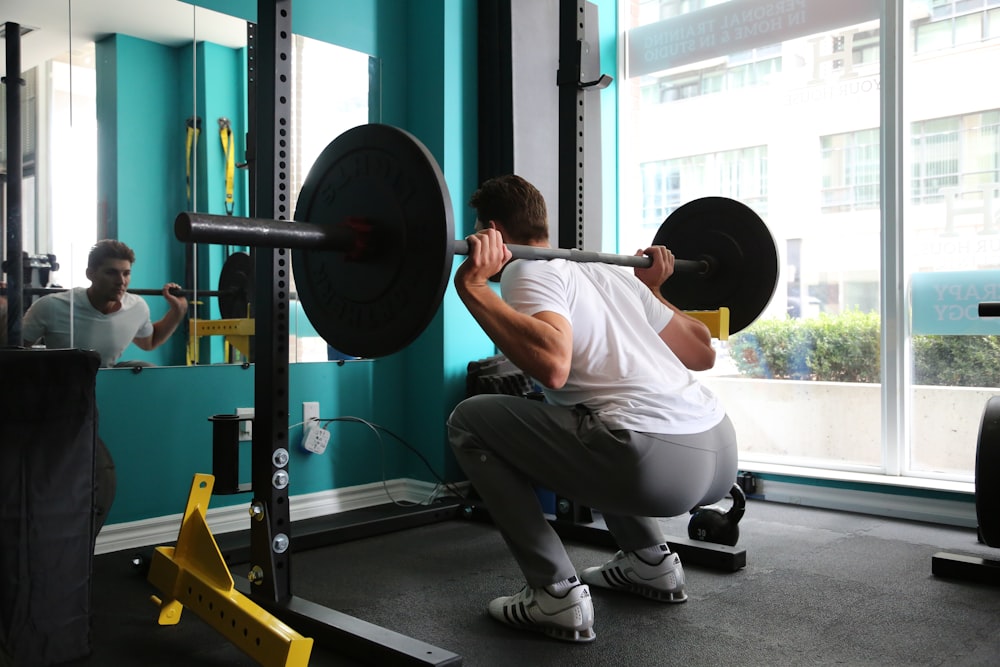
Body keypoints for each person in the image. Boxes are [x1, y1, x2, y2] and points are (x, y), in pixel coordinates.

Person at [447, 174, 738, 643]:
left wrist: (474, 286)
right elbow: (702, 352)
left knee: (471, 420)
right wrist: (655, 289)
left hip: (656, 463)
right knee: (594, 415)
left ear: (494, 230)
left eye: (478, 229)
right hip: (719, 449)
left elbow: (552, 366)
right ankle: (651, 563)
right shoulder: (606, 271)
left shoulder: (528, 269)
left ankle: (555, 594)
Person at [21, 239, 188, 368]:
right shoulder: (51, 306)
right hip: (61, 387)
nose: (121, 281)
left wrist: (177, 311)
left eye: (126, 273)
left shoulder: (137, 307)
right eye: (111, 273)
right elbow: (13, 352)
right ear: (90, 274)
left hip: (104, 384)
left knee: (143, 368)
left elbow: (149, 342)